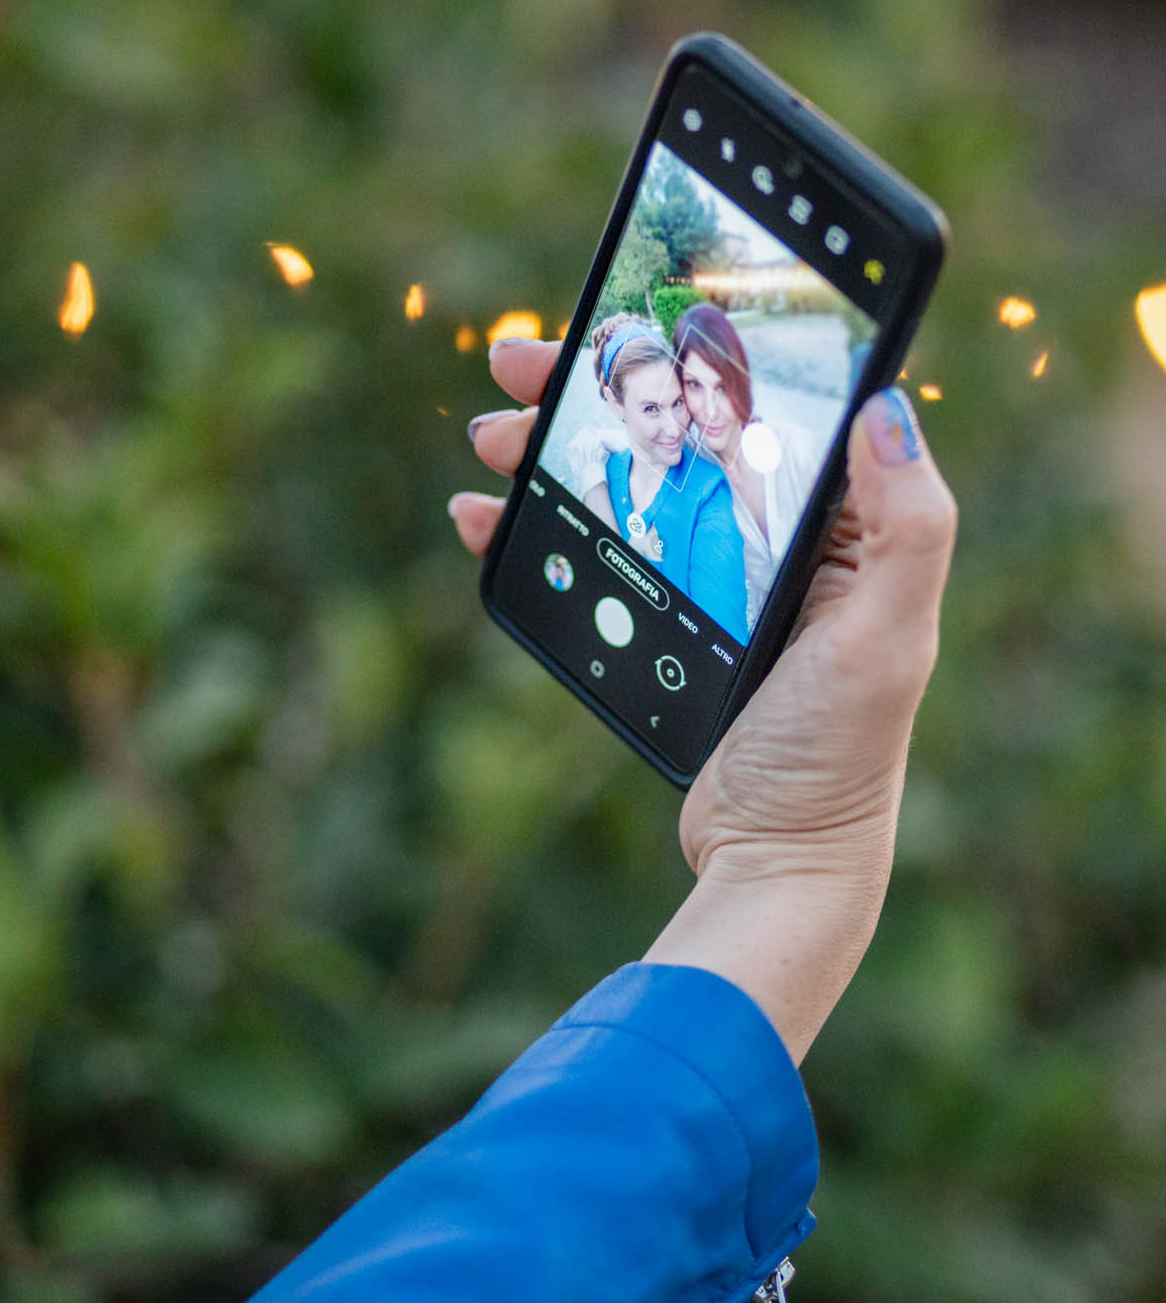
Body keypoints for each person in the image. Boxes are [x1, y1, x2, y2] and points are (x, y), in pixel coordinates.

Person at [250, 336, 956, 1302]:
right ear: (618, 408)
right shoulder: (618, 470)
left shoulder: (718, 492)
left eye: (702, 394)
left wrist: (786, 872)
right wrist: (789, 875)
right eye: (665, 398)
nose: (683, 420)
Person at [574, 313, 750, 642]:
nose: (674, 429)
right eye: (651, 409)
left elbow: (718, 642)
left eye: (678, 402)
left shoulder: (709, 492)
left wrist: (594, 494)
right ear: (615, 403)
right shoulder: (604, 470)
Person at [673, 302, 826, 629]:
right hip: (765, 641)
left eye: (721, 387)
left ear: (739, 382)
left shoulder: (798, 449)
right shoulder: (692, 463)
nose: (710, 410)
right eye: (695, 386)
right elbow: (620, 434)